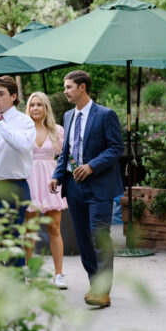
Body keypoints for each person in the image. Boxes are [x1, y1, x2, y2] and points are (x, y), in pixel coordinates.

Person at [49, 70, 124, 308]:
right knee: (83, 240)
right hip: (74, 187)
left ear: (83, 87)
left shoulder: (105, 115)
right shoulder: (68, 116)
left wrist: (92, 166)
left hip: (99, 187)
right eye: (65, 87)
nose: (65, 91)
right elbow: (67, 151)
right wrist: (56, 175)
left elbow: (115, 148)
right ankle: (95, 286)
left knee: (98, 236)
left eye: (69, 87)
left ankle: (102, 290)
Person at [0, 76, 36, 236]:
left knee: (9, 245)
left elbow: (22, 146)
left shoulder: (25, 121)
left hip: (13, 187)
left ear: (14, 96)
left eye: (1, 94)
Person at [25, 91, 68, 289]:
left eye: (39, 105)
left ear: (46, 108)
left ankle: (59, 274)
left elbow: (68, 156)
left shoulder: (56, 130)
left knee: (54, 228)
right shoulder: (23, 129)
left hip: (51, 181)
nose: (35, 108)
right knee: (30, 230)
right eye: (32, 104)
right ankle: (30, 272)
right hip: (29, 180)